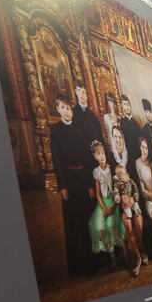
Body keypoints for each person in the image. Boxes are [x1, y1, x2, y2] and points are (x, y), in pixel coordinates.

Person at [49, 95, 95, 277]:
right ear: (58, 109)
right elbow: (57, 160)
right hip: (69, 182)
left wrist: (91, 184)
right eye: (63, 108)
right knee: (75, 224)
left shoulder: (79, 129)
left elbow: (87, 157)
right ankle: (80, 268)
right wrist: (62, 186)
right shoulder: (56, 131)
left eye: (69, 108)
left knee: (89, 220)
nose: (67, 112)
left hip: (84, 179)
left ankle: (94, 263)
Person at [88, 140, 125, 269]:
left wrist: (112, 206)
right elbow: (98, 193)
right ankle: (112, 255)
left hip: (113, 201)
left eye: (102, 153)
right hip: (103, 202)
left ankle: (124, 253)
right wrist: (103, 208)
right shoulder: (96, 172)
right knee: (99, 227)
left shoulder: (111, 169)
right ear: (95, 157)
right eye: (98, 154)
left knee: (111, 225)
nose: (101, 155)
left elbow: (117, 190)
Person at [112, 163, 143, 276]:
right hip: (124, 205)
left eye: (122, 174)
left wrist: (135, 196)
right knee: (128, 218)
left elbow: (135, 187)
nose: (121, 177)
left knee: (137, 211)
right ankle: (137, 257)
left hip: (133, 201)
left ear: (125, 173)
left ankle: (141, 251)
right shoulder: (117, 183)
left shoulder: (130, 180)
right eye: (119, 175)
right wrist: (118, 197)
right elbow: (115, 191)